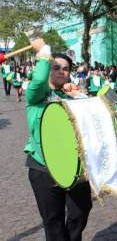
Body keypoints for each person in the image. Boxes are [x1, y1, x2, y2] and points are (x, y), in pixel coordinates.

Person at [25, 39, 92, 241]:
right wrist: (44, 53)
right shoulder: (36, 95)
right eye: (56, 67)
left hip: (74, 168)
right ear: (48, 70)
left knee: (80, 212)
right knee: (53, 222)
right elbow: (38, 83)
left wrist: (79, 95)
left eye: (66, 68)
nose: (61, 71)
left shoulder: (73, 96)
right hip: (43, 168)